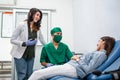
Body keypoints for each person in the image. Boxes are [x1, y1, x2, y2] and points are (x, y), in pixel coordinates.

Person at [28, 36, 115, 80]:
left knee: (38, 74)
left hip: (74, 69)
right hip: (70, 66)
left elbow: (88, 69)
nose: (97, 42)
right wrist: (78, 58)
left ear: (104, 42)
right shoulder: (97, 52)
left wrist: (78, 59)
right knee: (39, 73)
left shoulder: (101, 55)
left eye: (99, 41)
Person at [10, 8, 46, 80]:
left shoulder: (37, 28)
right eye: (37, 15)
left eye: (39, 16)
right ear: (31, 14)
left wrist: (48, 46)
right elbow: (12, 40)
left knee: (29, 75)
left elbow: (42, 39)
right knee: (22, 75)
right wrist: (24, 43)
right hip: (20, 55)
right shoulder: (21, 25)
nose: (38, 17)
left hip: (31, 55)